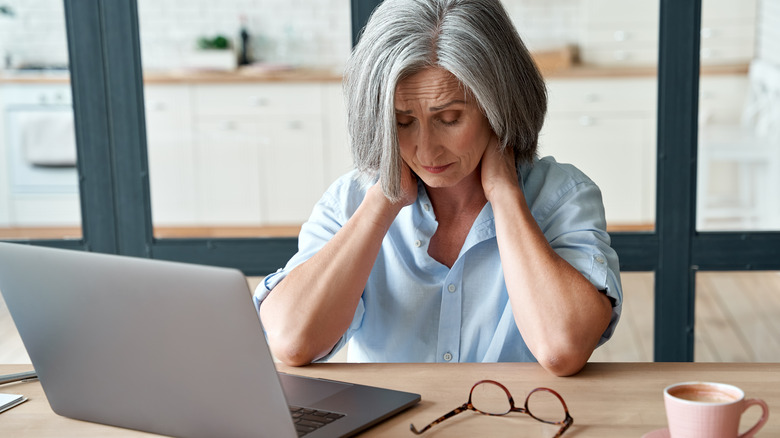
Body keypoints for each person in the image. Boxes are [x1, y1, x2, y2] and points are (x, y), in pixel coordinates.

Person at [256, 0, 622, 377]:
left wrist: (505, 195)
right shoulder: (349, 201)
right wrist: (382, 203)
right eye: (402, 122)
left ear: (499, 106)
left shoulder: (562, 196)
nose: (426, 150)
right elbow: (292, 341)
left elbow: (563, 349)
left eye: (449, 119)